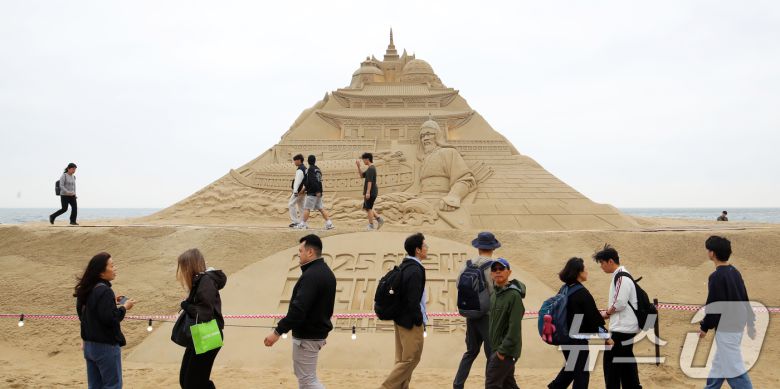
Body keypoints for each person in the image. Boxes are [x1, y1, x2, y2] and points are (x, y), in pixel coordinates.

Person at [264, 234, 337, 389]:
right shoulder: (325, 272)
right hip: (314, 334)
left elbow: (298, 310)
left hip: (307, 336)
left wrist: (277, 332)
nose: (299, 254)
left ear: (310, 252)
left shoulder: (312, 276)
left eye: (300, 250)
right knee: (306, 379)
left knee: (307, 381)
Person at [698, 236, 755, 389]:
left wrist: (704, 327)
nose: (707, 252)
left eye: (708, 250)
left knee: (734, 370)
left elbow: (714, 306)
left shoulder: (716, 277)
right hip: (737, 325)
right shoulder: (734, 272)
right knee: (719, 364)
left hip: (727, 328)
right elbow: (744, 297)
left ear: (712, 253)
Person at [74, 252, 136, 389]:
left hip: (89, 345)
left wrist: (111, 302)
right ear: (101, 272)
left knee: (94, 386)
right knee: (113, 385)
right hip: (105, 346)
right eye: (112, 266)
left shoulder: (86, 289)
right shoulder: (104, 291)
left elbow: (83, 314)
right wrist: (125, 307)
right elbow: (111, 318)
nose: (115, 268)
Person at [548, 257, 608, 389]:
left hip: (564, 337)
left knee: (571, 368)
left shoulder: (564, 289)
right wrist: (606, 336)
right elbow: (593, 318)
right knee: (581, 372)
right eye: (585, 269)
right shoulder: (582, 293)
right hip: (577, 339)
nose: (587, 271)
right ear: (579, 272)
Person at [453, 231, 500, 389]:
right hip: (487, 316)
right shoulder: (494, 266)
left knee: (470, 352)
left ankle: (458, 384)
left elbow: (458, 284)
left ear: (478, 247)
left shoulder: (468, 264)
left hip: (471, 314)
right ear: (493, 248)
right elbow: (496, 291)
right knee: (491, 354)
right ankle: (489, 385)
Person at [381, 232, 428, 389]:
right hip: (410, 322)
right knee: (411, 359)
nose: (427, 248)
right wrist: (418, 320)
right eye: (425, 245)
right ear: (418, 250)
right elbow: (412, 300)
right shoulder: (415, 270)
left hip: (401, 319)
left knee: (402, 359)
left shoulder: (405, 266)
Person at [593, 244, 642, 389]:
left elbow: (619, 303)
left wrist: (607, 313)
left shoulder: (621, 276)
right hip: (626, 327)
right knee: (626, 363)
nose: (601, 266)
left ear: (610, 261)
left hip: (622, 328)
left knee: (611, 365)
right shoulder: (622, 275)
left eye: (602, 263)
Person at [176, 248, 227, 389]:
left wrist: (186, 305)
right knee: (187, 381)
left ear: (190, 266)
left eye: (184, 267)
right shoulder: (200, 281)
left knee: (193, 383)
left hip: (208, 334)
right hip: (200, 333)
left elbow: (204, 313)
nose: (182, 272)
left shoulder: (205, 281)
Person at [417, 118, 476, 212]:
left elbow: (465, 179)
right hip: (422, 198)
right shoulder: (425, 159)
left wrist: (453, 197)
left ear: (438, 136)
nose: (425, 138)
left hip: (440, 199)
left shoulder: (448, 152)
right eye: (422, 136)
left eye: (429, 134)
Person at [485, 258, 525, 389]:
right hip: (497, 349)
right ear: (491, 274)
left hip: (506, 351)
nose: (498, 271)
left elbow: (514, 327)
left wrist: (502, 351)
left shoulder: (514, 295)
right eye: (494, 269)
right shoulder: (494, 295)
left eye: (501, 268)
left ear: (509, 272)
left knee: (492, 384)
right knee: (508, 385)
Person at [298, 155, 335, 230]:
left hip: (313, 192)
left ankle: (303, 224)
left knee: (307, 208)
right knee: (321, 208)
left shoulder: (310, 169)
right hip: (318, 192)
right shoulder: (318, 169)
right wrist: (319, 191)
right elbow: (319, 181)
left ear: (308, 161)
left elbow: (312, 181)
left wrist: (306, 189)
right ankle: (329, 223)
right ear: (315, 161)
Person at [356, 152, 384, 230]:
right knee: (367, 207)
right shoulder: (370, 169)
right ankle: (379, 219)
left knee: (369, 208)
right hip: (371, 191)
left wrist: (368, 192)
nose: (363, 161)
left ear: (367, 159)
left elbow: (369, 181)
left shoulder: (371, 169)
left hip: (371, 191)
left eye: (363, 160)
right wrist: (358, 167)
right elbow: (362, 176)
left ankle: (371, 225)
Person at [289, 154, 307, 228]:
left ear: (299, 160)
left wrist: (295, 191)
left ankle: (295, 222)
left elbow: (297, 181)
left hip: (298, 191)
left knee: (291, 204)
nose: (294, 162)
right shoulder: (305, 168)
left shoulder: (300, 169)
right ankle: (303, 222)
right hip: (303, 191)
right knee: (301, 206)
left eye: (295, 160)